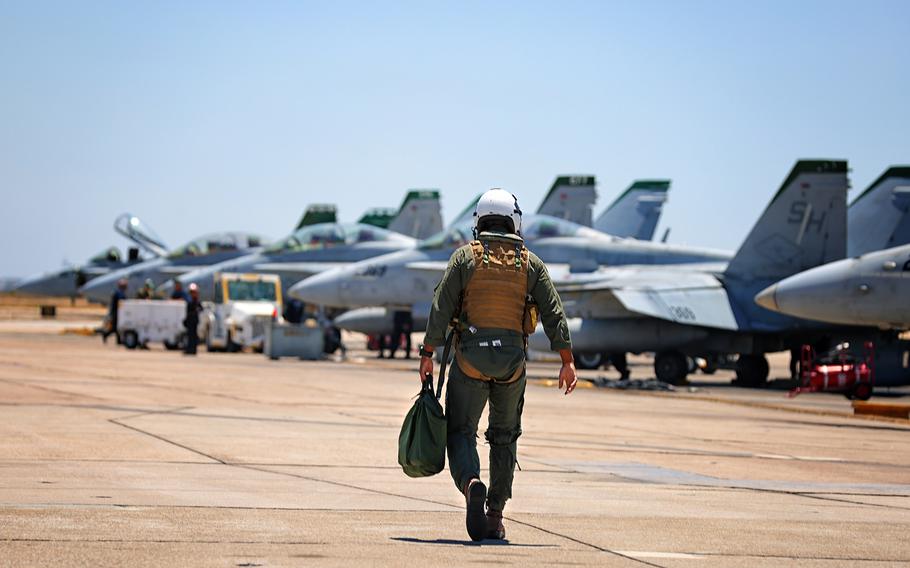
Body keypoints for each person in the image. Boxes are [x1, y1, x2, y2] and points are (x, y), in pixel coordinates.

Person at [418, 188, 577, 542]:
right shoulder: (529, 263)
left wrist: (427, 353)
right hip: (511, 366)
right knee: (503, 438)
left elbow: (441, 308)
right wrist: (566, 360)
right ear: (514, 221)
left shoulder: (464, 258)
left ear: (479, 222)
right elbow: (553, 310)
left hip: (470, 361)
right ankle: (494, 515)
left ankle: (472, 482)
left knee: (460, 432)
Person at [102, 279, 128, 344]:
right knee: (116, 327)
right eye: (124, 286)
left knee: (117, 327)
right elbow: (117, 303)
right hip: (116, 313)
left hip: (119, 313)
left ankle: (118, 340)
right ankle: (106, 334)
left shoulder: (120, 293)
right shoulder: (118, 293)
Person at [183, 283, 202, 355]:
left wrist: (197, 310)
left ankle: (193, 350)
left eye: (193, 292)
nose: (192, 294)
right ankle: (189, 349)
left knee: (193, 336)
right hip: (189, 321)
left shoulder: (197, 301)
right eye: (191, 292)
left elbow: (201, 308)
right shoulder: (189, 301)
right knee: (189, 335)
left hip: (194, 321)